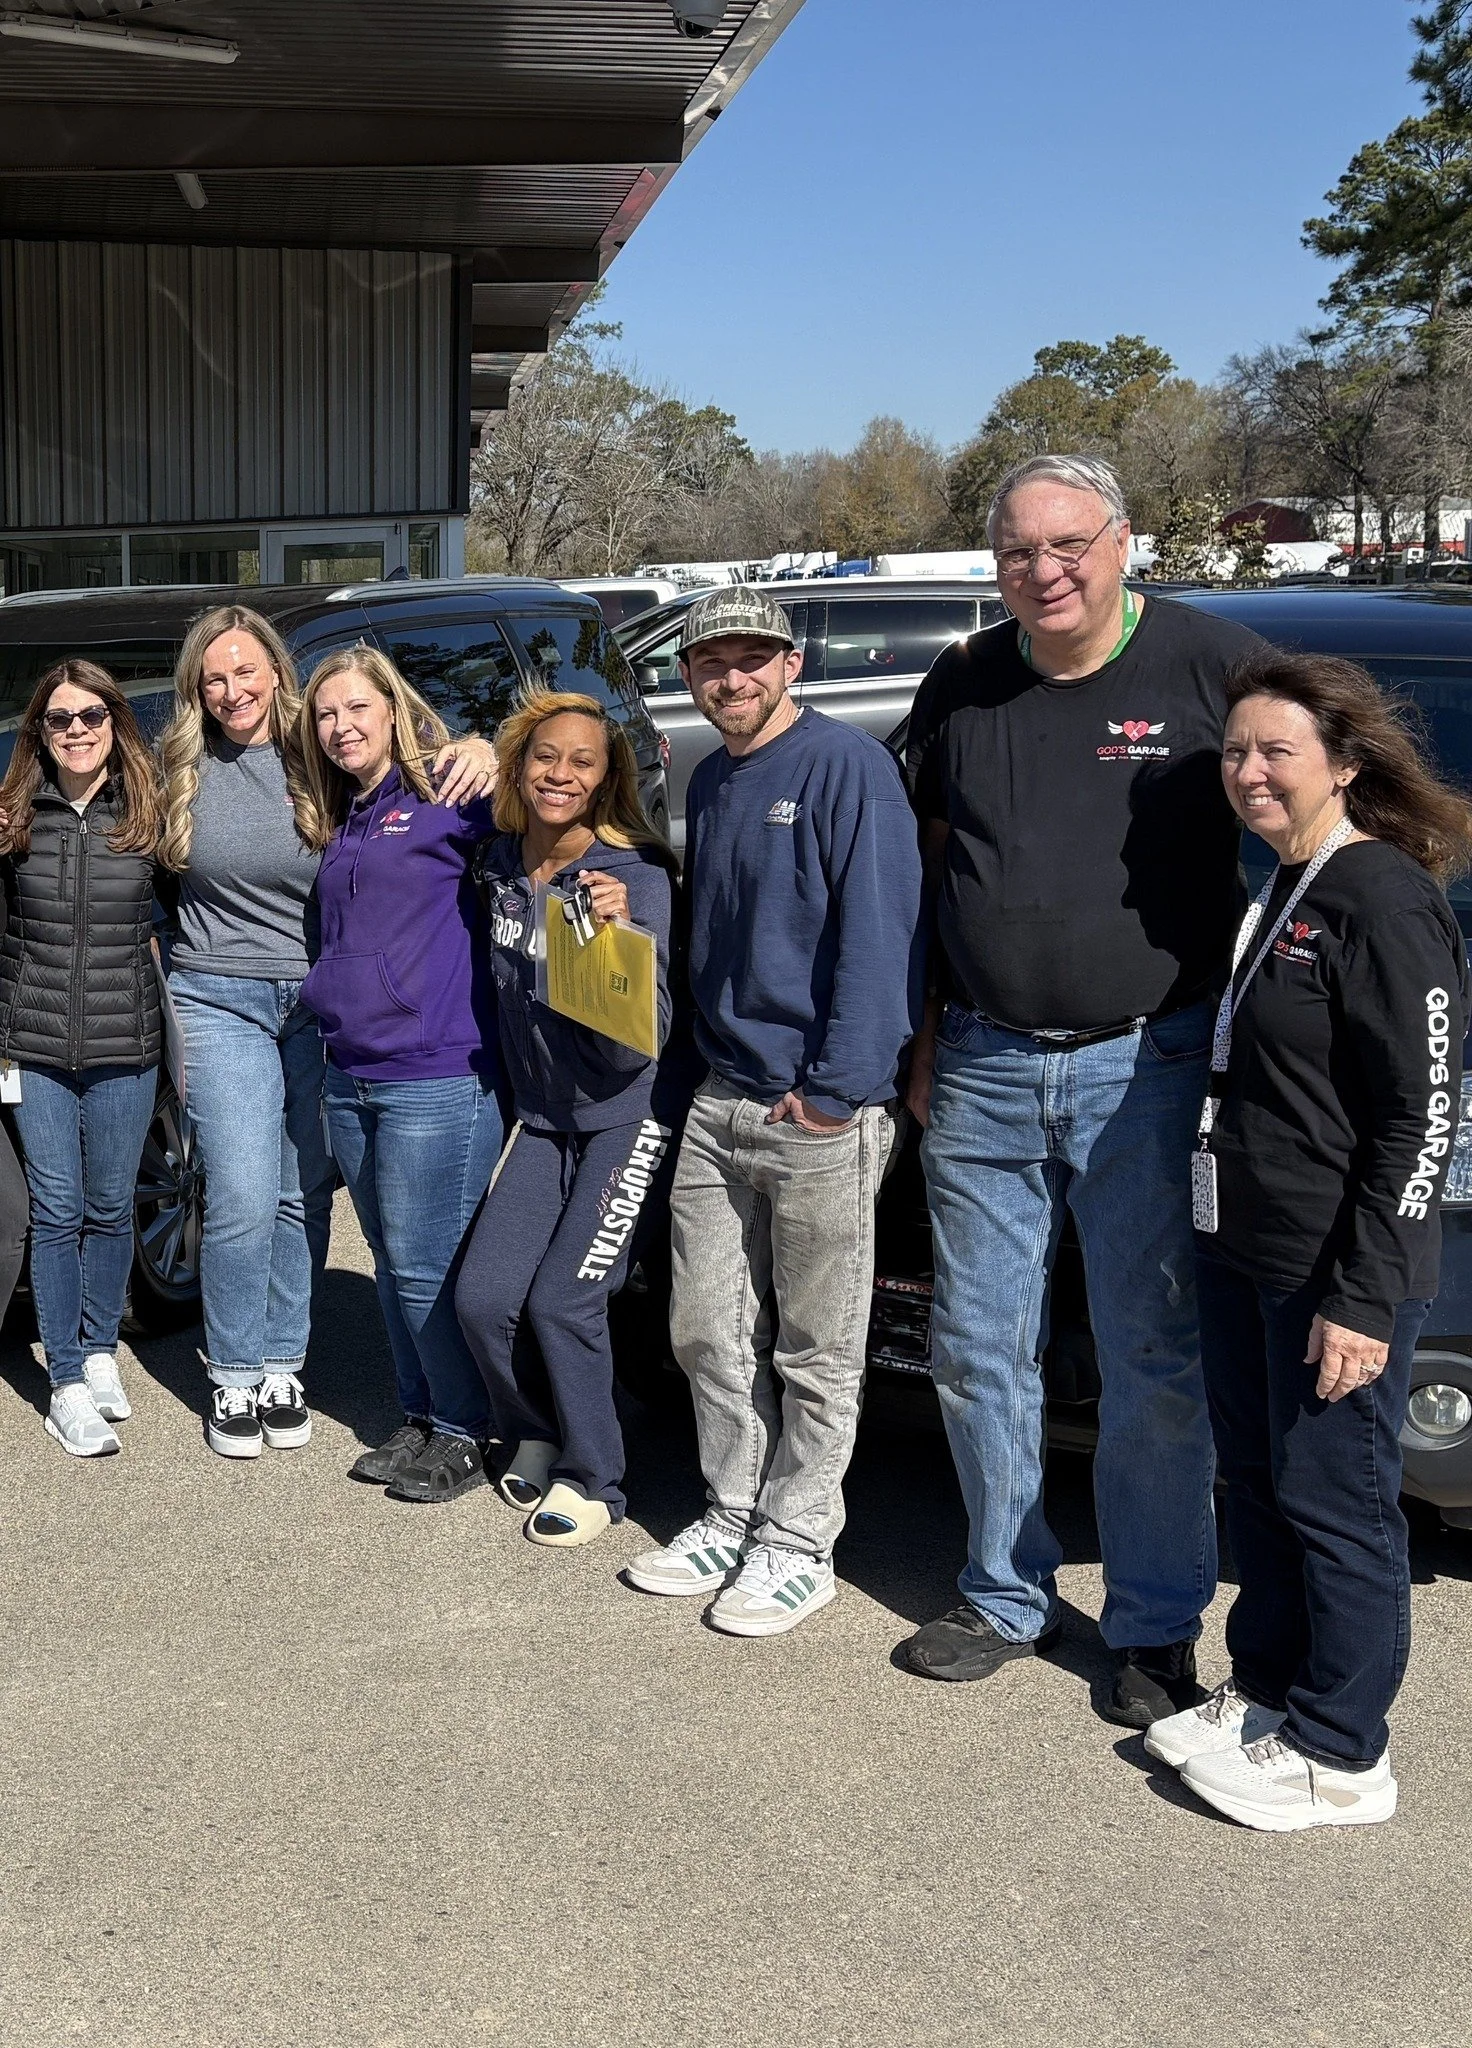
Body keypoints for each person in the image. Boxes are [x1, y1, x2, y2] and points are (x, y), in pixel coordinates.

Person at [901, 452, 1264, 1724]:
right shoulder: (963, 679)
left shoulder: (1214, 668)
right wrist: (922, 1021)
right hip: (985, 1064)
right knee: (974, 1346)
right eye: (1015, 552)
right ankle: (1004, 1588)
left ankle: (1157, 1623)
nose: (1042, 572)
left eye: (1068, 545)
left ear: (1124, 543)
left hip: (1147, 1067)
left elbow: (1320, 821)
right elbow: (929, 852)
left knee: (1148, 1355)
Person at [1144, 652, 1471, 1830]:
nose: (1247, 771)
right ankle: (1270, 1692)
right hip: (1246, 1246)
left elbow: (1417, 1114)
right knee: (1260, 1488)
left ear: (1343, 761)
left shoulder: (1379, 896)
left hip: (1336, 1268)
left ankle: (1343, 1748)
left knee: (1337, 1503)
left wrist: (1368, 1298)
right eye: (1233, 750)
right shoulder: (1284, 882)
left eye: (1274, 749)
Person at [625, 585, 923, 1636]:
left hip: (815, 1110)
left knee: (815, 1344)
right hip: (720, 1095)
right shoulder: (710, 774)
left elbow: (880, 938)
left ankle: (798, 1542)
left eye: (752, 658)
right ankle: (730, 1508)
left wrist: (839, 1091)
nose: (730, 678)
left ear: (790, 664)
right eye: (711, 663)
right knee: (705, 1328)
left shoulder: (848, 769)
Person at [158, 605, 494, 1462]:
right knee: (238, 1188)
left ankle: (283, 1362)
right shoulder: (179, 767)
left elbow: (433, 777)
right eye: (213, 678)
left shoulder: (321, 761)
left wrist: (488, 745)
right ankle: (234, 1369)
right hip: (220, 994)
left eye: (246, 671)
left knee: (298, 1194)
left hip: (318, 1003)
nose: (232, 690)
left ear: (277, 671)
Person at [455, 688, 684, 1547]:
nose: (561, 774)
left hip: (627, 1116)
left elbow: (649, 1040)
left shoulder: (629, 878)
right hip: (546, 1121)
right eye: (545, 756)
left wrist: (617, 948)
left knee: (563, 1301)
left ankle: (596, 1478)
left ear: (605, 778)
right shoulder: (502, 863)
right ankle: (539, 1428)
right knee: (482, 1299)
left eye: (582, 763)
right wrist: (473, 747)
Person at [298, 646, 503, 1503]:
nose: (341, 726)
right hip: (351, 1070)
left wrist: (494, 746)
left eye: (357, 708)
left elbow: (561, 789)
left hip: (435, 1071)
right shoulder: (345, 814)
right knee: (390, 1257)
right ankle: (421, 1414)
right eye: (325, 715)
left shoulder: (449, 799)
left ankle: (466, 1430)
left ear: (395, 710)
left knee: (429, 1261)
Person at [0, 662, 166, 1455]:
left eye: (91, 716)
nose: (75, 730)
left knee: (109, 1207)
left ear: (115, 723)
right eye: (58, 718)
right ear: (39, 732)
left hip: (125, 1046)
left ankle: (100, 1350)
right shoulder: (10, 819)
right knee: (56, 1212)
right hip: (33, 1048)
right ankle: (65, 1378)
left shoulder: (150, 815)